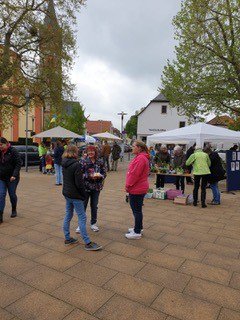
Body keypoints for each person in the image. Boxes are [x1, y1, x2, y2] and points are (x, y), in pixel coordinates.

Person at [62, 145, 102, 251]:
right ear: (75, 152)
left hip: (67, 193)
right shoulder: (76, 164)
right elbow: (79, 183)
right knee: (82, 217)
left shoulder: (64, 162)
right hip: (75, 194)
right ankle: (87, 242)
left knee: (68, 215)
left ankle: (67, 238)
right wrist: (83, 194)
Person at [76, 145, 106, 233]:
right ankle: (80, 224)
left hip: (96, 187)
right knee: (83, 206)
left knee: (94, 206)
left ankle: (93, 223)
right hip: (86, 187)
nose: (91, 152)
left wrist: (100, 176)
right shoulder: (83, 161)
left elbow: (104, 172)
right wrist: (89, 176)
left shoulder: (100, 161)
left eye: (92, 151)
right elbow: (79, 174)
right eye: (89, 151)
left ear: (95, 152)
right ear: (87, 152)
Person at [125, 140, 149, 240]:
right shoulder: (141, 157)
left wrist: (128, 185)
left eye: (134, 146)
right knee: (137, 209)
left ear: (139, 148)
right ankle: (138, 227)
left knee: (136, 210)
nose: (132, 147)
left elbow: (134, 174)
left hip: (137, 187)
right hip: (139, 186)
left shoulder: (141, 158)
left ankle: (137, 232)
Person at [0, 137, 22, 223]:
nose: (0, 146)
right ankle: (0, 215)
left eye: (1, 145)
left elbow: (18, 164)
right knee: (1, 195)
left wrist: (14, 175)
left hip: (12, 178)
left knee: (12, 194)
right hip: (1, 177)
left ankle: (14, 209)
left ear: (6, 143)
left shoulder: (13, 151)